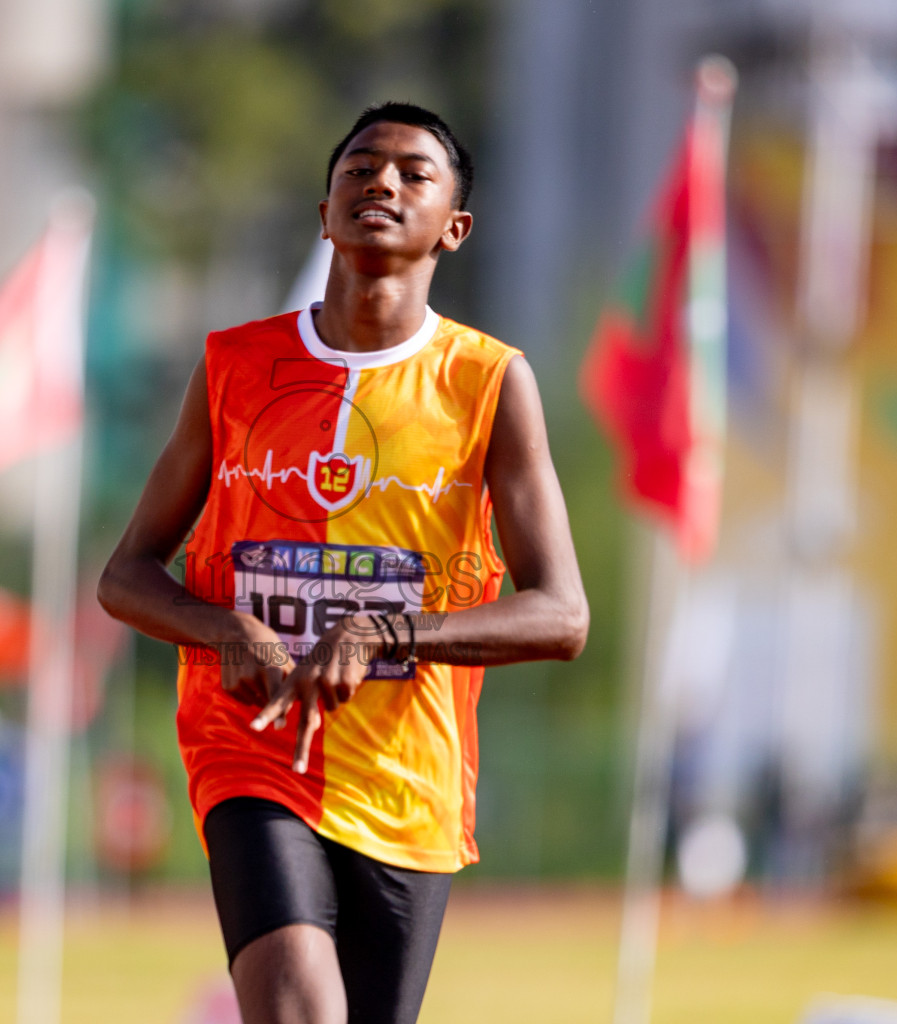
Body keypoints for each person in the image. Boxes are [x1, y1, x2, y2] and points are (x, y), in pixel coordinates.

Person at [99, 102, 588, 1024]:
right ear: (324, 212)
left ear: (455, 227)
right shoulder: (234, 367)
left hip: (409, 780)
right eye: (360, 169)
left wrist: (387, 630)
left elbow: (562, 616)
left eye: (413, 173)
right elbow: (124, 574)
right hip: (250, 748)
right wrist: (221, 627)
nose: (382, 184)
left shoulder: (487, 383)